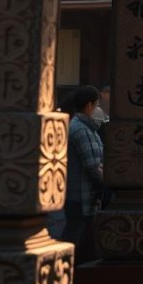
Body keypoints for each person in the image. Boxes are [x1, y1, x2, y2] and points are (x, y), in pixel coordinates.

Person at [64, 85, 104, 264]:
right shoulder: (80, 129)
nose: (98, 109)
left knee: (81, 235)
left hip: (86, 194)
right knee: (73, 234)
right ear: (89, 105)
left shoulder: (88, 128)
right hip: (79, 193)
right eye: (97, 104)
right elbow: (92, 165)